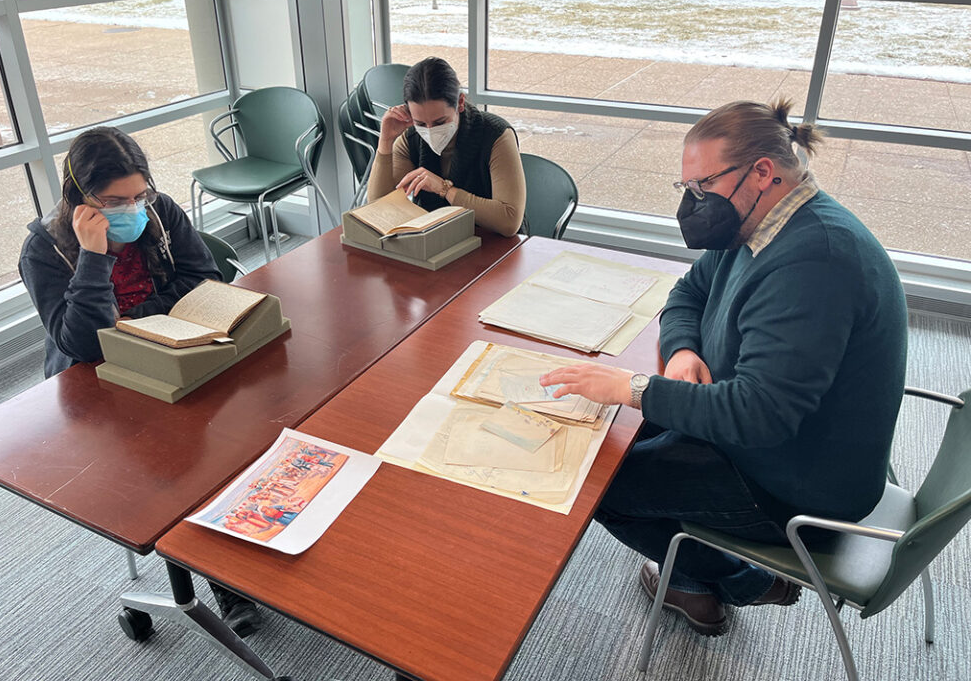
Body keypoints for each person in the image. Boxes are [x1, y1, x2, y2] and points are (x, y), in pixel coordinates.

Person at [541, 100, 907, 636]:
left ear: (762, 172)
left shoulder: (815, 263)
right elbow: (688, 291)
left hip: (799, 484)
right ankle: (697, 575)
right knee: (612, 442)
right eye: (687, 189)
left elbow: (759, 416)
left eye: (703, 186)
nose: (694, 204)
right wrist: (685, 350)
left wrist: (634, 386)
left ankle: (745, 581)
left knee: (598, 486)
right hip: (768, 438)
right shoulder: (760, 225)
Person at [18, 125, 265, 638]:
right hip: (96, 384)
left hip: (172, 348)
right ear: (79, 197)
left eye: (139, 194)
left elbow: (202, 279)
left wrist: (131, 318)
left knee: (237, 429)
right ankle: (218, 577)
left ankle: (230, 543)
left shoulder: (160, 211)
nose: (133, 208)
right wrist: (94, 257)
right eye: (114, 200)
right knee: (172, 464)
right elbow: (83, 343)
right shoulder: (44, 248)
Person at [368, 56, 526, 237]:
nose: (429, 131)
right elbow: (378, 209)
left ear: (460, 103)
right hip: (437, 242)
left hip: (495, 247)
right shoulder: (411, 137)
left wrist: (444, 189)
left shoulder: (495, 134)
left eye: (440, 122)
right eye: (420, 123)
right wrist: (385, 142)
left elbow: (509, 221)